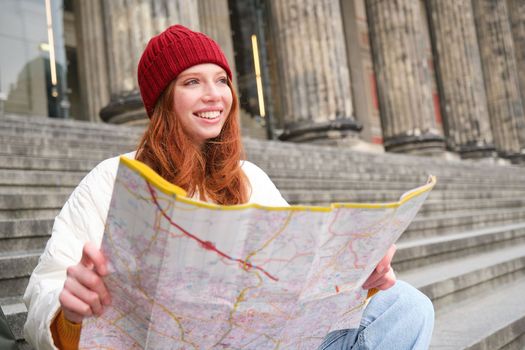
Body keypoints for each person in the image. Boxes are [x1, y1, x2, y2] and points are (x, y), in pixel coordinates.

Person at [23, 25, 434, 350]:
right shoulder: (111, 179)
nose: (214, 95)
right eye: (192, 82)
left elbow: (304, 275)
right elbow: (45, 290)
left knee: (406, 307)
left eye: (221, 80)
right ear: (163, 99)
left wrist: (356, 277)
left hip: (267, 340)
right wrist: (69, 312)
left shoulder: (250, 177)